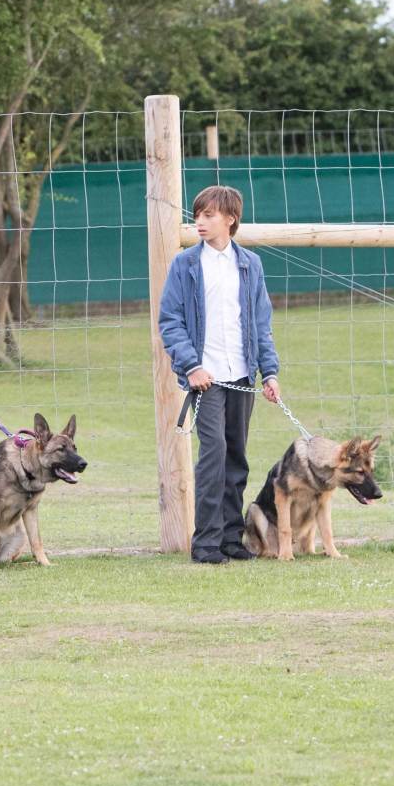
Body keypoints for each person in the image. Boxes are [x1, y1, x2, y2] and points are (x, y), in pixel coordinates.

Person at [156, 185, 282, 564]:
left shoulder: (250, 265)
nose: (200, 221)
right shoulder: (185, 265)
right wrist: (192, 366)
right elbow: (170, 321)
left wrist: (269, 373)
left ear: (230, 219)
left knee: (236, 456)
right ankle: (206, 542)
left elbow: (261, 324)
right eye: (197, 215)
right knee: (213, 454)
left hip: (242, 376)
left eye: (209, 215)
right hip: (206, 379)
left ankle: (230, 538)